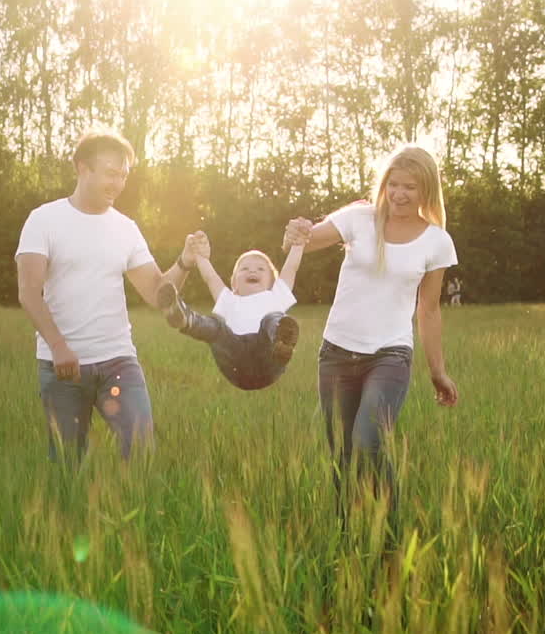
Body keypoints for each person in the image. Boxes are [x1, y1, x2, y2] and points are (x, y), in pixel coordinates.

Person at [284, 144, 459, 528]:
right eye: (393, 184)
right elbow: (306, 241)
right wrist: (296, 232)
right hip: (336, 353)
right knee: (343, 455)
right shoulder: (359, 218)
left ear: (426, 190)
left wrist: (438, 371)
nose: (399, 193)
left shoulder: (436, 242)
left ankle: (392, 536)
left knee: (368, 440)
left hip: (390, 356)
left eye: (409, 187)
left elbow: (428, 309)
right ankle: (348, 537)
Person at [15, 128, 197, 461]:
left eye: (124, 175)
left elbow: (157, 294)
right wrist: (59, 346)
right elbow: (28, 292)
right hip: (63, 366)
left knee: (141, 451)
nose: (118, 183)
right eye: (111, 173)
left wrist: (185, 262)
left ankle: (134, 511)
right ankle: (73, 514)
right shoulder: (44, 220)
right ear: (83, 168)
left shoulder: (125, 228)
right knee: (67, 467)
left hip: (118, 361)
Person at [155, 230, 307, 390]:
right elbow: (210, 277)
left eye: (261, 269)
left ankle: (281, 339)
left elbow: (291, 268)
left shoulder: (276, 296)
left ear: (272, 282)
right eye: (244, 269)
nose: (252, 271)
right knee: (217, 326)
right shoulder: (229, 299)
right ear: (234, 283)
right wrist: (199, 254)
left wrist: (299, 243)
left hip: (268, 357)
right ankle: (187, 319)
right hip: (234, 359)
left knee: (273, 317)